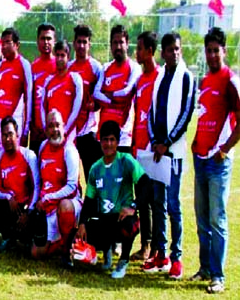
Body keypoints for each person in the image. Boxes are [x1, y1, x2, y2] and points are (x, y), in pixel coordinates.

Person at [141, 32, 196, 278]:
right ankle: (160, 253)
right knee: (158, 203)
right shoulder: (160, 76)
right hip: (158, 152)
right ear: (162, 52)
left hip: (173, 153)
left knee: (173, 205)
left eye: (177, 49)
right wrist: (154, 141)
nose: (175, 53)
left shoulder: (186, 76)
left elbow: (186, 115)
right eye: (170, 49)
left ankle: (177, 257)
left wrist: (167, 142)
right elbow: (152, 111)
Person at [190, 27, 240, 293]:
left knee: (217, 219)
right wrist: (197, 143)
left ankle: (218, 276)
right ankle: (205, 268)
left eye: (215, 50)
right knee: (202, 219)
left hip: (218, 162)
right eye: (208, 50)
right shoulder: (206, 80)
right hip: (200, 158)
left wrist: (225, 148)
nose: (211, 55)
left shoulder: (230, 80)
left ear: (224, 51)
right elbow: (204, 115)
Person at [76, 120, 148, 279]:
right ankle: (105, 249)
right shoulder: (96, 168)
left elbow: (145, 185)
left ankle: (123, 261)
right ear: (100, 141)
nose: (108, 144)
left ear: (117, 141)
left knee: (130, 225)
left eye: (112, 140)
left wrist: (133, 206)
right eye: (105, 140)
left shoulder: (126, 161)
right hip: (104, 220)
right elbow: (89, 200)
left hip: (122, 219)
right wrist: (82, 224)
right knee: (79, 236)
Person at [30, 111, 80, 263]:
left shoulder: (70, 150)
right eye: (51, 126)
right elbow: (40, 181)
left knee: (65, 206)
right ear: (46, 130)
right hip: (47, 208)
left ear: (63, 127)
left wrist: (48, 198)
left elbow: (72, 187)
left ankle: (67, 251)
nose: (55, 130)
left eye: (57, 125)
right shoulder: (43, 147)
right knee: (35, 254)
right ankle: (67, 242)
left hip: (67, 204)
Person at [0, 117, 39, 251]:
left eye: (10, 134)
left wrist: (29, 212)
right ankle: (5, 237)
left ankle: (23, 238)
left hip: (25, 207)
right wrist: (8, 197)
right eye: (4, 135)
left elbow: (36, 187)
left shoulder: (29, 156)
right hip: (9, 205)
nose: (7, 139)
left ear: (17, 134)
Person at [129, 31, 158, 263]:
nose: (135, 53)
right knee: (142, 198)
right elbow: (138, 112)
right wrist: (132, 145)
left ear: (149, 51)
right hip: (138, 148)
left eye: (138, 48)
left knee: (154, 199)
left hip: (153, 150)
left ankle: (157, 247)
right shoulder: (140, 80)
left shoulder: (159, 78)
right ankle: (146, 245)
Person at [94, 25, 141, 154]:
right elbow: (96, 94)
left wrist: (108, 95)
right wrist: (116, 101)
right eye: (115, 43)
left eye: (121, 42)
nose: (118, 46)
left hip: (123, 137)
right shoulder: (105, 68)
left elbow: (126, 93)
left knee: (122, 174)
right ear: (110, 45)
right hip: (103, 136)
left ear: (127, 44)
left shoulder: (134, 68)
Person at [0, 28, 32, 150]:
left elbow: (28, 98)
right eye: (2, 43)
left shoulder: (24, 65)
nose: (4, 46)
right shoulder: (0, 65)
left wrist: (26, 129)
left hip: (13, 122)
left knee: (13, 159)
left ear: (17, 45)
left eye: (8, 42)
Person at [68, 25, 104, 175]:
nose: (81, 46)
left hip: (89, 131)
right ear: (74, 43)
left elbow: (101, 98)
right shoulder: (69, 68)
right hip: (70, 131)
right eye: (79, 42)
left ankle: (94, 199)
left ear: (89, 44)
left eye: (85, 42)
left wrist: (94, 105)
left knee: (92, 174)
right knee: (71, 173)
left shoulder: (96, 68)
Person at [41, 40, 82, 145]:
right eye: (57, 55)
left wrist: (65, 131)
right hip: (52, 136)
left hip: (68, 137)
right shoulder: (48, 81)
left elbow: (76, 110)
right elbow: (42, 107)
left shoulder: (75, 79)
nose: (59, 59)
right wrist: (47, 128)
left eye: (62, 55)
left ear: (68, 57)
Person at [30, 24, 56, 153]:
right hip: (37, 132)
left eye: (49, 38)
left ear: (54, 41)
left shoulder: (60, 66)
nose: (46, 42)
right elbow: (29, 99)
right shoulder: (32, 67)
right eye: (42, 38)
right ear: (37, 41)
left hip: (55, 130)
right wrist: (32, 125)